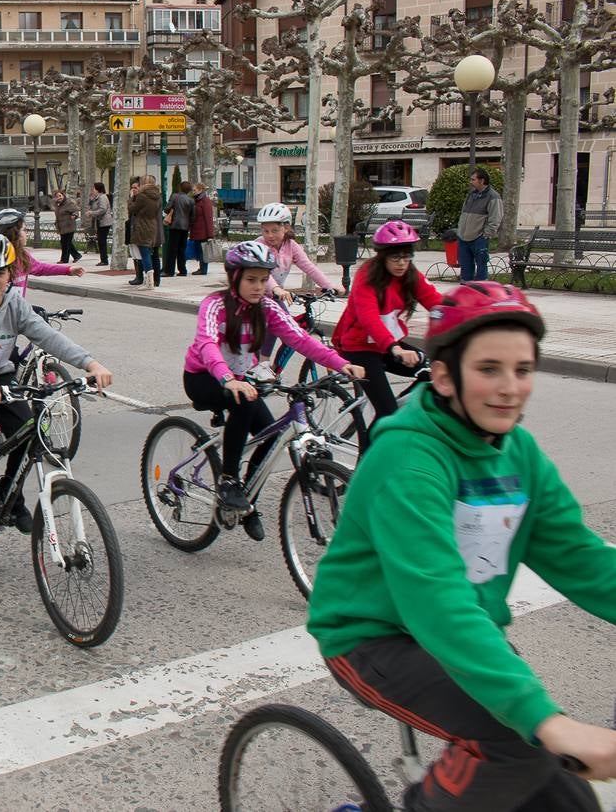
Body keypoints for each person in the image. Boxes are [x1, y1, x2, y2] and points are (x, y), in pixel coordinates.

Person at [308, 281, 616, 812]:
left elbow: (581, 558)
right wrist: (545, 721)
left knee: (570, 800)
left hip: (459, 631)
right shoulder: (407, 459)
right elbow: (437, 601)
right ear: (446, 376)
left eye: (522, 370)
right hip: (373, 638)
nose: (509, 388)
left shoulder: (518, 451)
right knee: (520, 744)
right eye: (489, 369)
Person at [183, 240, 363, 537]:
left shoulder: (267, 307)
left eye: (264, 280)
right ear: (234, 278)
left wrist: (340, 363)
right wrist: (228, 379)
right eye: (251, 280)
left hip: (242, 380)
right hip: (204, 378)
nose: (258, 286)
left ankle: (246, 503)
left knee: (272, 437)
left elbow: (300, 339)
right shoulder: (215, 305)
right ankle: (229, 481)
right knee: (242, 403)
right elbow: (207, 345)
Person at [0, 232, 113, 533]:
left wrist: (90, 363)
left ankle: (10, 492)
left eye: (1, 272)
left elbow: (47, 335)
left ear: (10, 273)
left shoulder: (14, 303)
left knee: (30, 427)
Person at [332, 220, 442, 427]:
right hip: (360, 349)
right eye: (395, 257)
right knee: (387, 413)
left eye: (406, 256)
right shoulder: (367, 276)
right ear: (382, 257)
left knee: (433, 373)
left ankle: (401, 408)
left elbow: (437, 303)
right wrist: (395, 348)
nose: (402, 263)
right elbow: (369, 319)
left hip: (390, 346)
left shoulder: (410, 275)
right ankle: (368, 454)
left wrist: (467, 324)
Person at [0, 208, 83, 295]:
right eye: (24, 230)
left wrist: (68, 270)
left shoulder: (22, 256)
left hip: (18, 312)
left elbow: (40, 268)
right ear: (13, 234)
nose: (27, 233)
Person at [256, 202, 342, 302]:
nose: (270, 235)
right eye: (265, 231)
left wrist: (328, 286)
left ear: (286, 228)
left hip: (276, 296)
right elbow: (262, 272)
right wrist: (276, 289)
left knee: (285, 317)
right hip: (256, 296)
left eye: (275, 230)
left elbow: (309, 267)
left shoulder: (291, 246)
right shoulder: (259, 245)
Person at [457, 167, 502, 283]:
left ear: (482, 181)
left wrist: (486, 234)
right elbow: (463, 213)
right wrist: (460, 230)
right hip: (464, 237)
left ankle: (481, 289)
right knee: (465, 267)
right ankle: (466, 290)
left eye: (473, 179)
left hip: (479, 238)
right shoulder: (471, 195)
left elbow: (495, 218)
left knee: (481, 266)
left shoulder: (493, 197)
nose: (471, 182)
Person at [127, 180, 160, 287]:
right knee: (148, 253)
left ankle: (149, 281)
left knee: (144, 254)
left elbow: (132, 209)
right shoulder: (157, 197)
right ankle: (150, 280)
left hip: (142, 226)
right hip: (152, 225)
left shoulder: (142, 197)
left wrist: (131, 198)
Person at [164, 180, 194, 278]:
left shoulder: (174, 196)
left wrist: (171, 210)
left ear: (180, 188)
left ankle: (169, 270)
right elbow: (193, 216)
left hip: (175, 225)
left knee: (172, 249)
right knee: (182, 249)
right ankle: (182, 270)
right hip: (185, 227)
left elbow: (167, 208)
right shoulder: (191, 200)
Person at [188, 183, 217, 276]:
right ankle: (201, 268)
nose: (193, 192)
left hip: (203, 231)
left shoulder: (205, 201)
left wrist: (210, 234)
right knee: (199, 250)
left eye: (195, 190)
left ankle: (203, 269)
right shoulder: (196, 201)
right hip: (196, 230)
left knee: (203, 251)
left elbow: (208, 218)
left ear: (200, 190)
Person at [52, 188, 83, 264]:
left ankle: (64, 259)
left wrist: (74, 215)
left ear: (63, 195)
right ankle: (77, 255)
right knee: (66, 242)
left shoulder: (69, 203)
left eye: (60, 196)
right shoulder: (58, 204)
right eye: (57, 196)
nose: (59, 198)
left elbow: (75, 211)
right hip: (62, 227)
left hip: (69, 225)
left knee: (65, 243)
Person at [86, 182, 113, 266]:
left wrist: (92, 213)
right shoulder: (97, 198)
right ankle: (103, 258)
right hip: (100, 222)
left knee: (102, 241)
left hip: (104, 222)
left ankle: (104, 259)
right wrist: (91, 200)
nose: (92, 190)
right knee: (100, 240)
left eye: (94, 188)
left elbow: (103, 209)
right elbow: (93, 206)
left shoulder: (102, 197)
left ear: (98, 189)